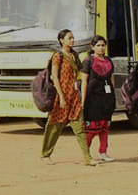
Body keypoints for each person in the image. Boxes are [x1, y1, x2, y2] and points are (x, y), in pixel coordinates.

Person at [40, 29, 96, 166]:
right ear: (61, 40)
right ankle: (46, 154)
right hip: (62, 96)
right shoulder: (57, 56)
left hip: (74, 96)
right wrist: (61, 97)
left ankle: (87, 158)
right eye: (69, 38)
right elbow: (55, 77)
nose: (72, 40)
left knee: (80, 128)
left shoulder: (74, 55)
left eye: (73, 38)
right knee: (54, 127)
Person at [80, 36, 115, 162]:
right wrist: (83, 100)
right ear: (92, 47)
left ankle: (103, 152)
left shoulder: (108, 60)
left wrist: (113, 96)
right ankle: (86, 154)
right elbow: (84, 82)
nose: (101, 48)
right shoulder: (88, 61)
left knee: (105, 126)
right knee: (92, 128)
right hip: (92, 98)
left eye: (103, 45)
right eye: (98, 45)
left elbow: (111, 79)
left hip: (106, 98)